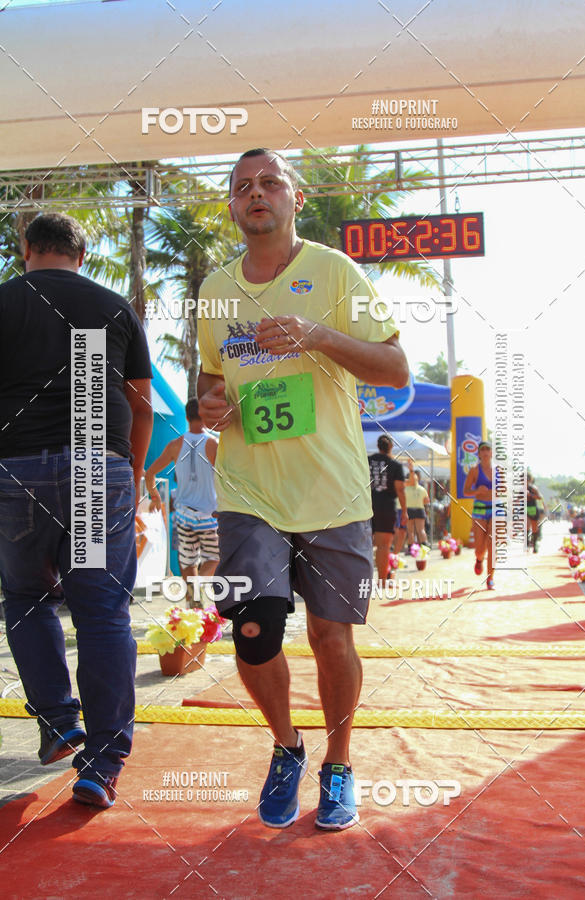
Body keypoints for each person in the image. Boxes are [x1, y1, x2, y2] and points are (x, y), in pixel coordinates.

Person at [196, 148, 409, 831]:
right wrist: (211, 403)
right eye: (242, 187)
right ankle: (287, 746)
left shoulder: (334, 271)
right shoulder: (213, 291)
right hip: (248, 490)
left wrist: (318, 335)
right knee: (253, 631)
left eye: (270, 183)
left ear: (295, 199)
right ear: (232, 205)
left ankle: (339, 764)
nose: (256, 193)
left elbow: (397, 368)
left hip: (333, 490)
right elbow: (209, 382)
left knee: (329, 635)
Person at [0, 213, 153, 809]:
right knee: (101, 610)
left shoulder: (6, 301)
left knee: (26, 597)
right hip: (96, 465)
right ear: (81, 255)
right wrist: (130, 475)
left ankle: (61, 721)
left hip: (17, 468)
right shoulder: (113, 306)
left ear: (28, 249)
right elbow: (140, 406)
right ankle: (103, 764)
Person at [145, 399, 219, 602]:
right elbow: (228, 478)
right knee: (213, 558)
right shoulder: (214, 444)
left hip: (183, 514)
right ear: (204, 415)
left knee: (188, 563)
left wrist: (155, 496)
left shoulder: (175, 445)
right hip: (209, 514)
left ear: (186, 417)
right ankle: (197, 591)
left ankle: (193, 607)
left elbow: (150, 473)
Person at [368, 436, 407, 582]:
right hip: (386, 506)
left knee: (364, 544)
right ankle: (382, 580)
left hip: (366, 505)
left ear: (378, 446)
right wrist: (404, 510)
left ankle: (361, 579)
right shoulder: (395, 465)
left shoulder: (367, 461)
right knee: (383, 546)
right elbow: (400, 490)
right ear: (390, 447)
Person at [463, 441, 496, 589]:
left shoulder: (498, 470)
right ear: (479, 454)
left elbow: (506, 490)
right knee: (479, 547)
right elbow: (465, 491)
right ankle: (479, 558)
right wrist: (478, 491)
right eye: (482, 449)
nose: (485, 452)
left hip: (496, 509)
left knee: (492, 544)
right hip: (480, 509)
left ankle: (490, 578)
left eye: (487, 449)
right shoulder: (474, 471)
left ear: (491, 453)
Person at [404, 464, 430, 547]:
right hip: (420, 509)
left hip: (409, 510)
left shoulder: (405, 489)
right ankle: (425, 546)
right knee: (421, 530)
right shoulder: (422, 489)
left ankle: (411, 548)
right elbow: (426, 501)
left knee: (410, 531)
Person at [526, 471, 545, 553]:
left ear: (530, 480)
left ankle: (535, 545)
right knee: (526, 526)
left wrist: (531, 495)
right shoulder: (520, 489)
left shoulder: (533, 488)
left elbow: (540, 497)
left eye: (527, 479)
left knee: (534, 528)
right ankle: (526, 543)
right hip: (524, 508)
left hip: (533, 508)